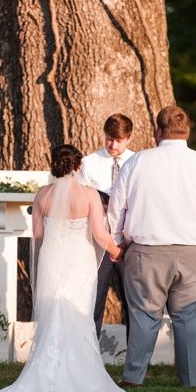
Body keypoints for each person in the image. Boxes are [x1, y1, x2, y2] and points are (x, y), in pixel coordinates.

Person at [0, 144, 130, 392]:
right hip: (79, 260)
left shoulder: (42, 194)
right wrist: (118, 252)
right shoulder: (89, 194)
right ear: (79, 166)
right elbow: (100, 235)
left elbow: (37, 234)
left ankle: (44, 375)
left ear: (54, 164)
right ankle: (84, 376)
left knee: (52, 312)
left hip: (52, 259)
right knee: (78, 314)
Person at [109, 105, 196, 388]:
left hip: (146, 252)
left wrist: (118, 242)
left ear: (158, 132)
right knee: (189, 318)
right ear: (186, 132)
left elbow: (116, 208)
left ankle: (134, 377)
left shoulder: (137, 162)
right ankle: (190, 379)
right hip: (194, 253)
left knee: (143, 316)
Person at [80, 113, 135, 338]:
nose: (112, 145)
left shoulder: (137, 162)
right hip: (97, 241)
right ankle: (89, 355)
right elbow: (79, 199)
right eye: (109, 139)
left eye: (118, 140)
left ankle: (136, 359)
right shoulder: (90, 162)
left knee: (133, 302)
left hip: (129, 241)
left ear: (129, 138)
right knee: (94, 299)